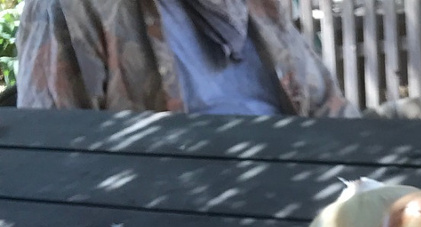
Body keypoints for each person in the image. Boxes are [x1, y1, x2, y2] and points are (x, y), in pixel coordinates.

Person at [17, 0, 352, 115]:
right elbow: (52, 164)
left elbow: (331, 115)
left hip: (297, 210)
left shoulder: (257, 7)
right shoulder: (70, 8)